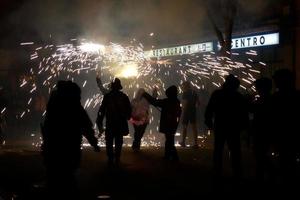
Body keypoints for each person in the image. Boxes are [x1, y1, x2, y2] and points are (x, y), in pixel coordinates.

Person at [41, 81, 100, 199]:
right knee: (68, 178)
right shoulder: (75, 108)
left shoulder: (53, 106)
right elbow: (86, 127)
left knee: (54, 178)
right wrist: (93, 143)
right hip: (69, 149)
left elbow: (47, 127)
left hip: (53, 149)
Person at [205, 74, 248, 182]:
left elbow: (210, 109)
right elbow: (244, 113)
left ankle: (218, 171)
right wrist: (244, 126)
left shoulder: (218, 94)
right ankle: (236, 172)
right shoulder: (238, 96)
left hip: (221, 125)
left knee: (219, 149)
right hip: (232, 126)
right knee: (234, 150)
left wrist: (208, 120)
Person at [272, 69, 300, 185]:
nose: (275, 82)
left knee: (286, 160)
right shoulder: (297, 95)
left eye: (277, 80)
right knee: (289, 159)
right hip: (291, 135)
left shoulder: (277, 97)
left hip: (286, 135)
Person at [97, 78, 131, 165]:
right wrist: (127, 116)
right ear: (119, 87)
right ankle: (117, 158)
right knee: (118, 141)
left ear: (112, 87)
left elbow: (102, 110)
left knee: (109, 141)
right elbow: (129, 111)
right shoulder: (124, 97)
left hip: (110, 123)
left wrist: (99, 122)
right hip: (120, 124)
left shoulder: (107, 96)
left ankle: (111, 158)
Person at [143, 86, 182, 161]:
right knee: (170, 140)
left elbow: (155, 102)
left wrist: (145, 94)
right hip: (174, 123)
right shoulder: (177, 101)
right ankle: (171, 156)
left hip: (169, 124)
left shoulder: (167, 101)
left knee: (169, 141)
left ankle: (172, 157)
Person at [250, 78, 273, 182]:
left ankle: (266, 175)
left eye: (257, 87)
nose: (256, 89)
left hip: (261, 132)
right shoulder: (269, 99)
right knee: (261, 155)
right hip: (264, 132)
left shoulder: (264, 100)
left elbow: (252, 109)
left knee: (260, 155)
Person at [179, 81, 200, 148]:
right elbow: (199, 103)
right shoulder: (194, 92)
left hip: (187, 112)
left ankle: (183, 142)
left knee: (185, 126)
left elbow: (185, 103)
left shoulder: (185, 93)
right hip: (193, 111)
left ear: (185, 86)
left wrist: (182, 110)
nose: (182, 87)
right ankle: (196, 143)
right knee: (194, 127)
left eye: (183, 86)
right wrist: (194, 107)